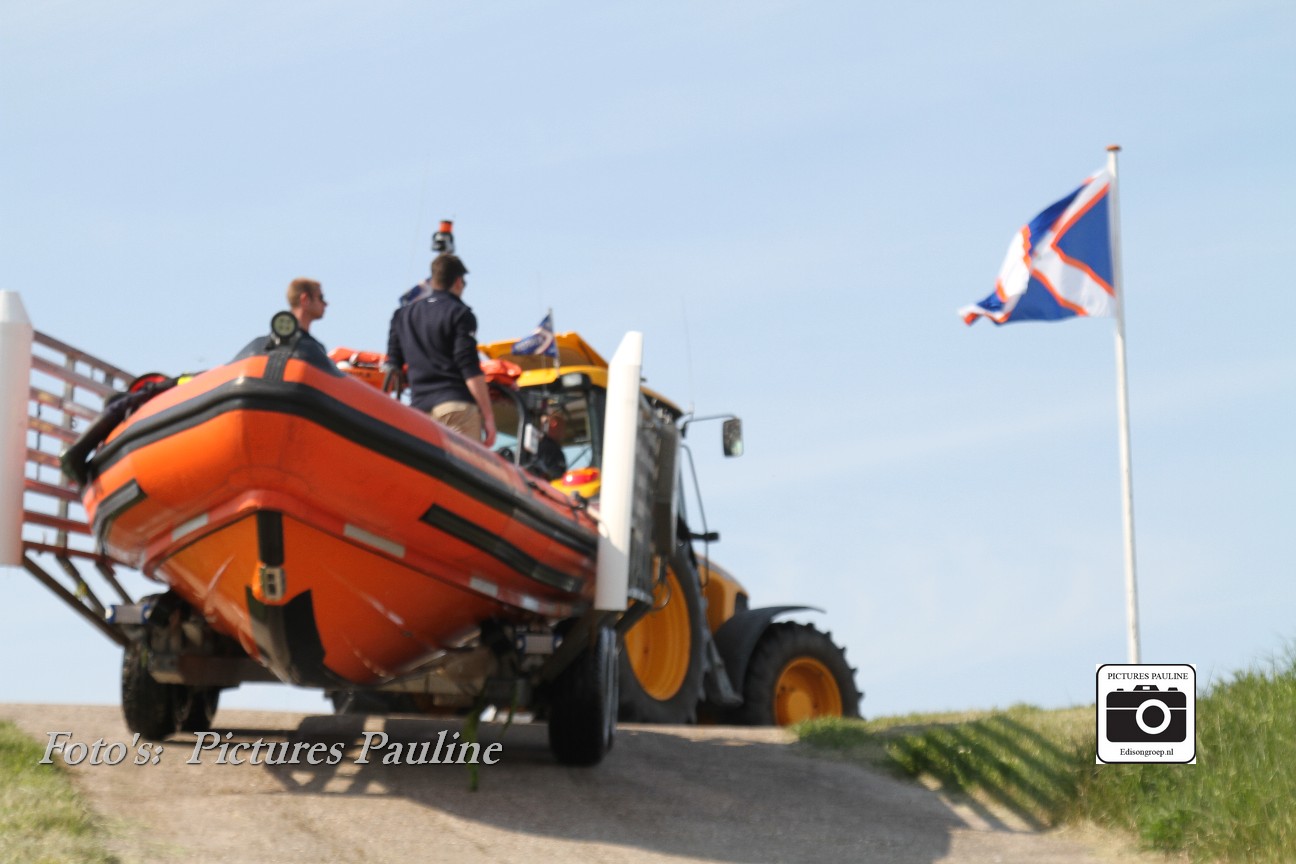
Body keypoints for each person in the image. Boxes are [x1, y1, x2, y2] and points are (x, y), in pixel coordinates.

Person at [386, 254, 497, 447]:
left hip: (419, 411)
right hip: (455, 407)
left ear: (433, 280)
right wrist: (488, 416)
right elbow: (468, 366)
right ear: (458, 282)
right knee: (463, 465)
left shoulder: (402, 316)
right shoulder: (460, 313)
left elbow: (392, 365)